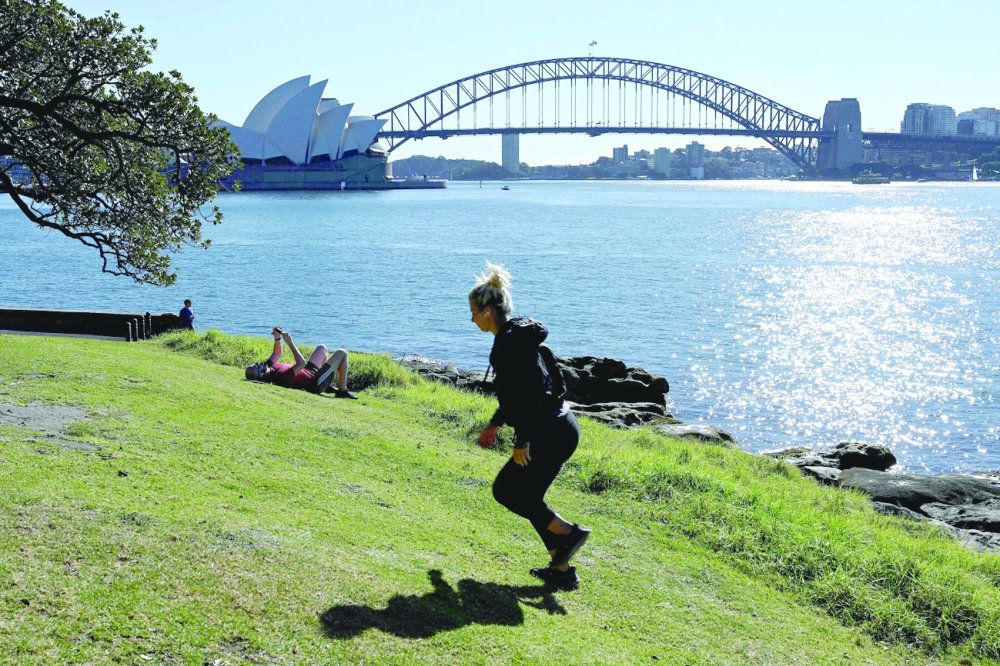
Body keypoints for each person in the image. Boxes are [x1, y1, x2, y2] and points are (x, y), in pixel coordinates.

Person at [470, 262, 590, 590]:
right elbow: (521, 394)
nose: (471, 319)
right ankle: (562, 570)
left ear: (488, 310)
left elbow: (530, 394)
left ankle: (569, 532)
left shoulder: (508, 345)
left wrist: (523, 438)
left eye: (473, 312)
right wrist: (495, 424)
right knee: (529, 497)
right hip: (563, 424)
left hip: (547, 432)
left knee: (507, 491)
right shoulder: (522, 339)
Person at [245, 327, 357, 399]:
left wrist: (277, 338)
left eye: (255, 364)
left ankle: (327, 385)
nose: (257, 363)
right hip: (315, 382)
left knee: (321, 348)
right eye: (256, 367)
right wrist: (290, 343)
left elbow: (276, 354)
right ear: (261, 374)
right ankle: (341, 391)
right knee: (342, 353)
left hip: (309, 372)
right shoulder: (281, 377)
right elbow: (301, 363)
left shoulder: (268, 366)